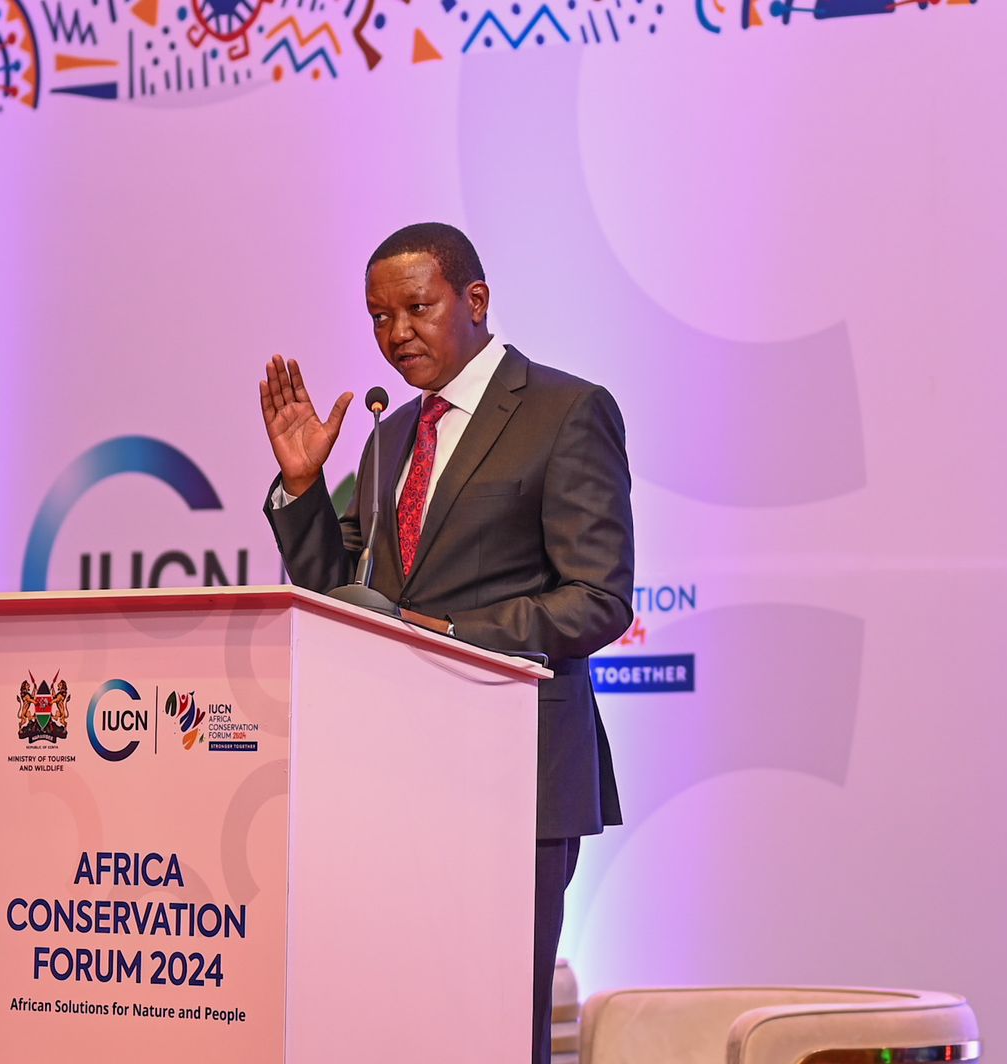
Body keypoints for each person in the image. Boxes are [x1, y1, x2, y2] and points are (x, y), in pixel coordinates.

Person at [258, 222, 635, 1064]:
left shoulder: (566, 412)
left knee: (493, 1026)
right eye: (378, 317)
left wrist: (459, 637)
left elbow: (600, 599)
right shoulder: (391, 436)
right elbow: (342, 596)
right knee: (404, 1023)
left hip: (516, 775)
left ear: (475, 301)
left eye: (417, 308)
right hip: (400, 774)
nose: (397, 334)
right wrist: (302, 487)